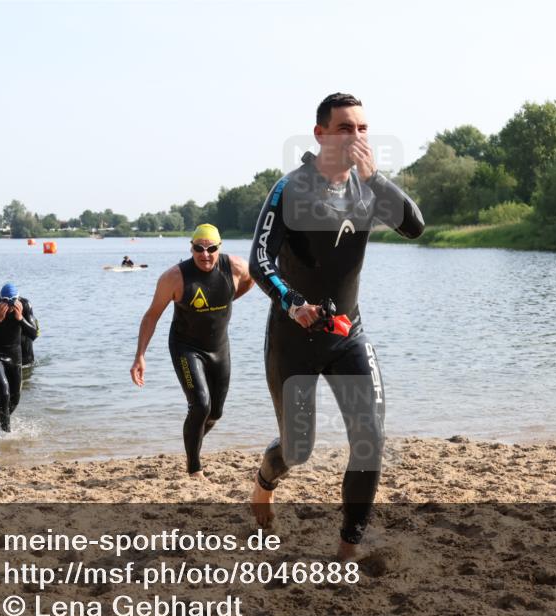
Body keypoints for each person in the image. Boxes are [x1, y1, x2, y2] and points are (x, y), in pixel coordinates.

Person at [248, 93, 424, 559]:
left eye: (363, 128)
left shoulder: (369, 189)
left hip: (349, 334)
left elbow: (416, 227)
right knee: (298, 449)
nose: (357, 136)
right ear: (321, 134)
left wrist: (375, 177)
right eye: (346, 128)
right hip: (293, 337)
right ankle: (265, 481)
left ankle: (347, 550)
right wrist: (293, 302)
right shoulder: (290, 188)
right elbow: (260, 261)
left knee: (370, 439)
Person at [130, 224, 254, 479]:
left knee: (215, 412)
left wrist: (228, 297)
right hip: (186, 347)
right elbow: (152, 316)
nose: (205, 254)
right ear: (191, 247)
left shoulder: (236, 267)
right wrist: (140, 355)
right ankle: (194, 468)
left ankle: (192, 442)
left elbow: (252, 280)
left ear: (220, 248)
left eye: (211, 249)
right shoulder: (174, 278)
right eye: (199, 248)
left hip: (219, 347)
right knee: (200, 405)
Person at [0, 283, 38, 431]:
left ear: (18, 298)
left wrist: (20, 318)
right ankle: (6, 433)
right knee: (4, 393)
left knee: (15, 398)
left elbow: (33, 334)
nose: (10, 306)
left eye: (13, 301)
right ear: (0, 299)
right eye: (6, 302)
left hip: (15, 355)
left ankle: (0, 424)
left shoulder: (25, 305)